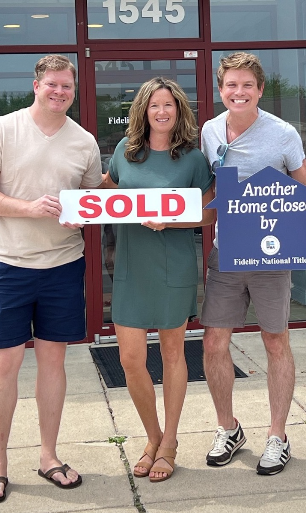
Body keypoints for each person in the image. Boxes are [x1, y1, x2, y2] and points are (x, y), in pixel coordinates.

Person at [0, 55, 102, 503]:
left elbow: (89, 202)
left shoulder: (83, 141)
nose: (59, 92)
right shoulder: (3, 128)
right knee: (4, 365)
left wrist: (82, 215)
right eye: (52, 85)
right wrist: (29, 207)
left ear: (74, 89)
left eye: (67, 86)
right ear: (36, 85)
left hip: (63, 267)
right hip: (9, 265)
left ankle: (48, 456)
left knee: (53, 365)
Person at [200, 52, 306, 475]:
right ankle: (229, 428)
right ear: (221, 89)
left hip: (271, 256)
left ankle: (277, 436)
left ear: (259, 90)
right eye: (231, 85)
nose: (238, 92)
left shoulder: (282, 133)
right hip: (226, 253)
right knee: (213, 344)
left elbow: (304, 183)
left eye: (247, 86)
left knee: (275, 342)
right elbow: (209, 190)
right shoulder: (208, 131)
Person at [101, 77, 215, 483]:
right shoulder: (124, 152)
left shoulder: (193, 159)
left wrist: (173, 219)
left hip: (174, 264)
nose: (162, 111)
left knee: (172, 356)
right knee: (130, 359)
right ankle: (153, 436)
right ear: (143, 111)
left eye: (169, 104)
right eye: (154, 105)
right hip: (130, 266)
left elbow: (209, 215)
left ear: (178, 110)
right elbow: (104, 194)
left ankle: (169, 444)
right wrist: (73, 203)